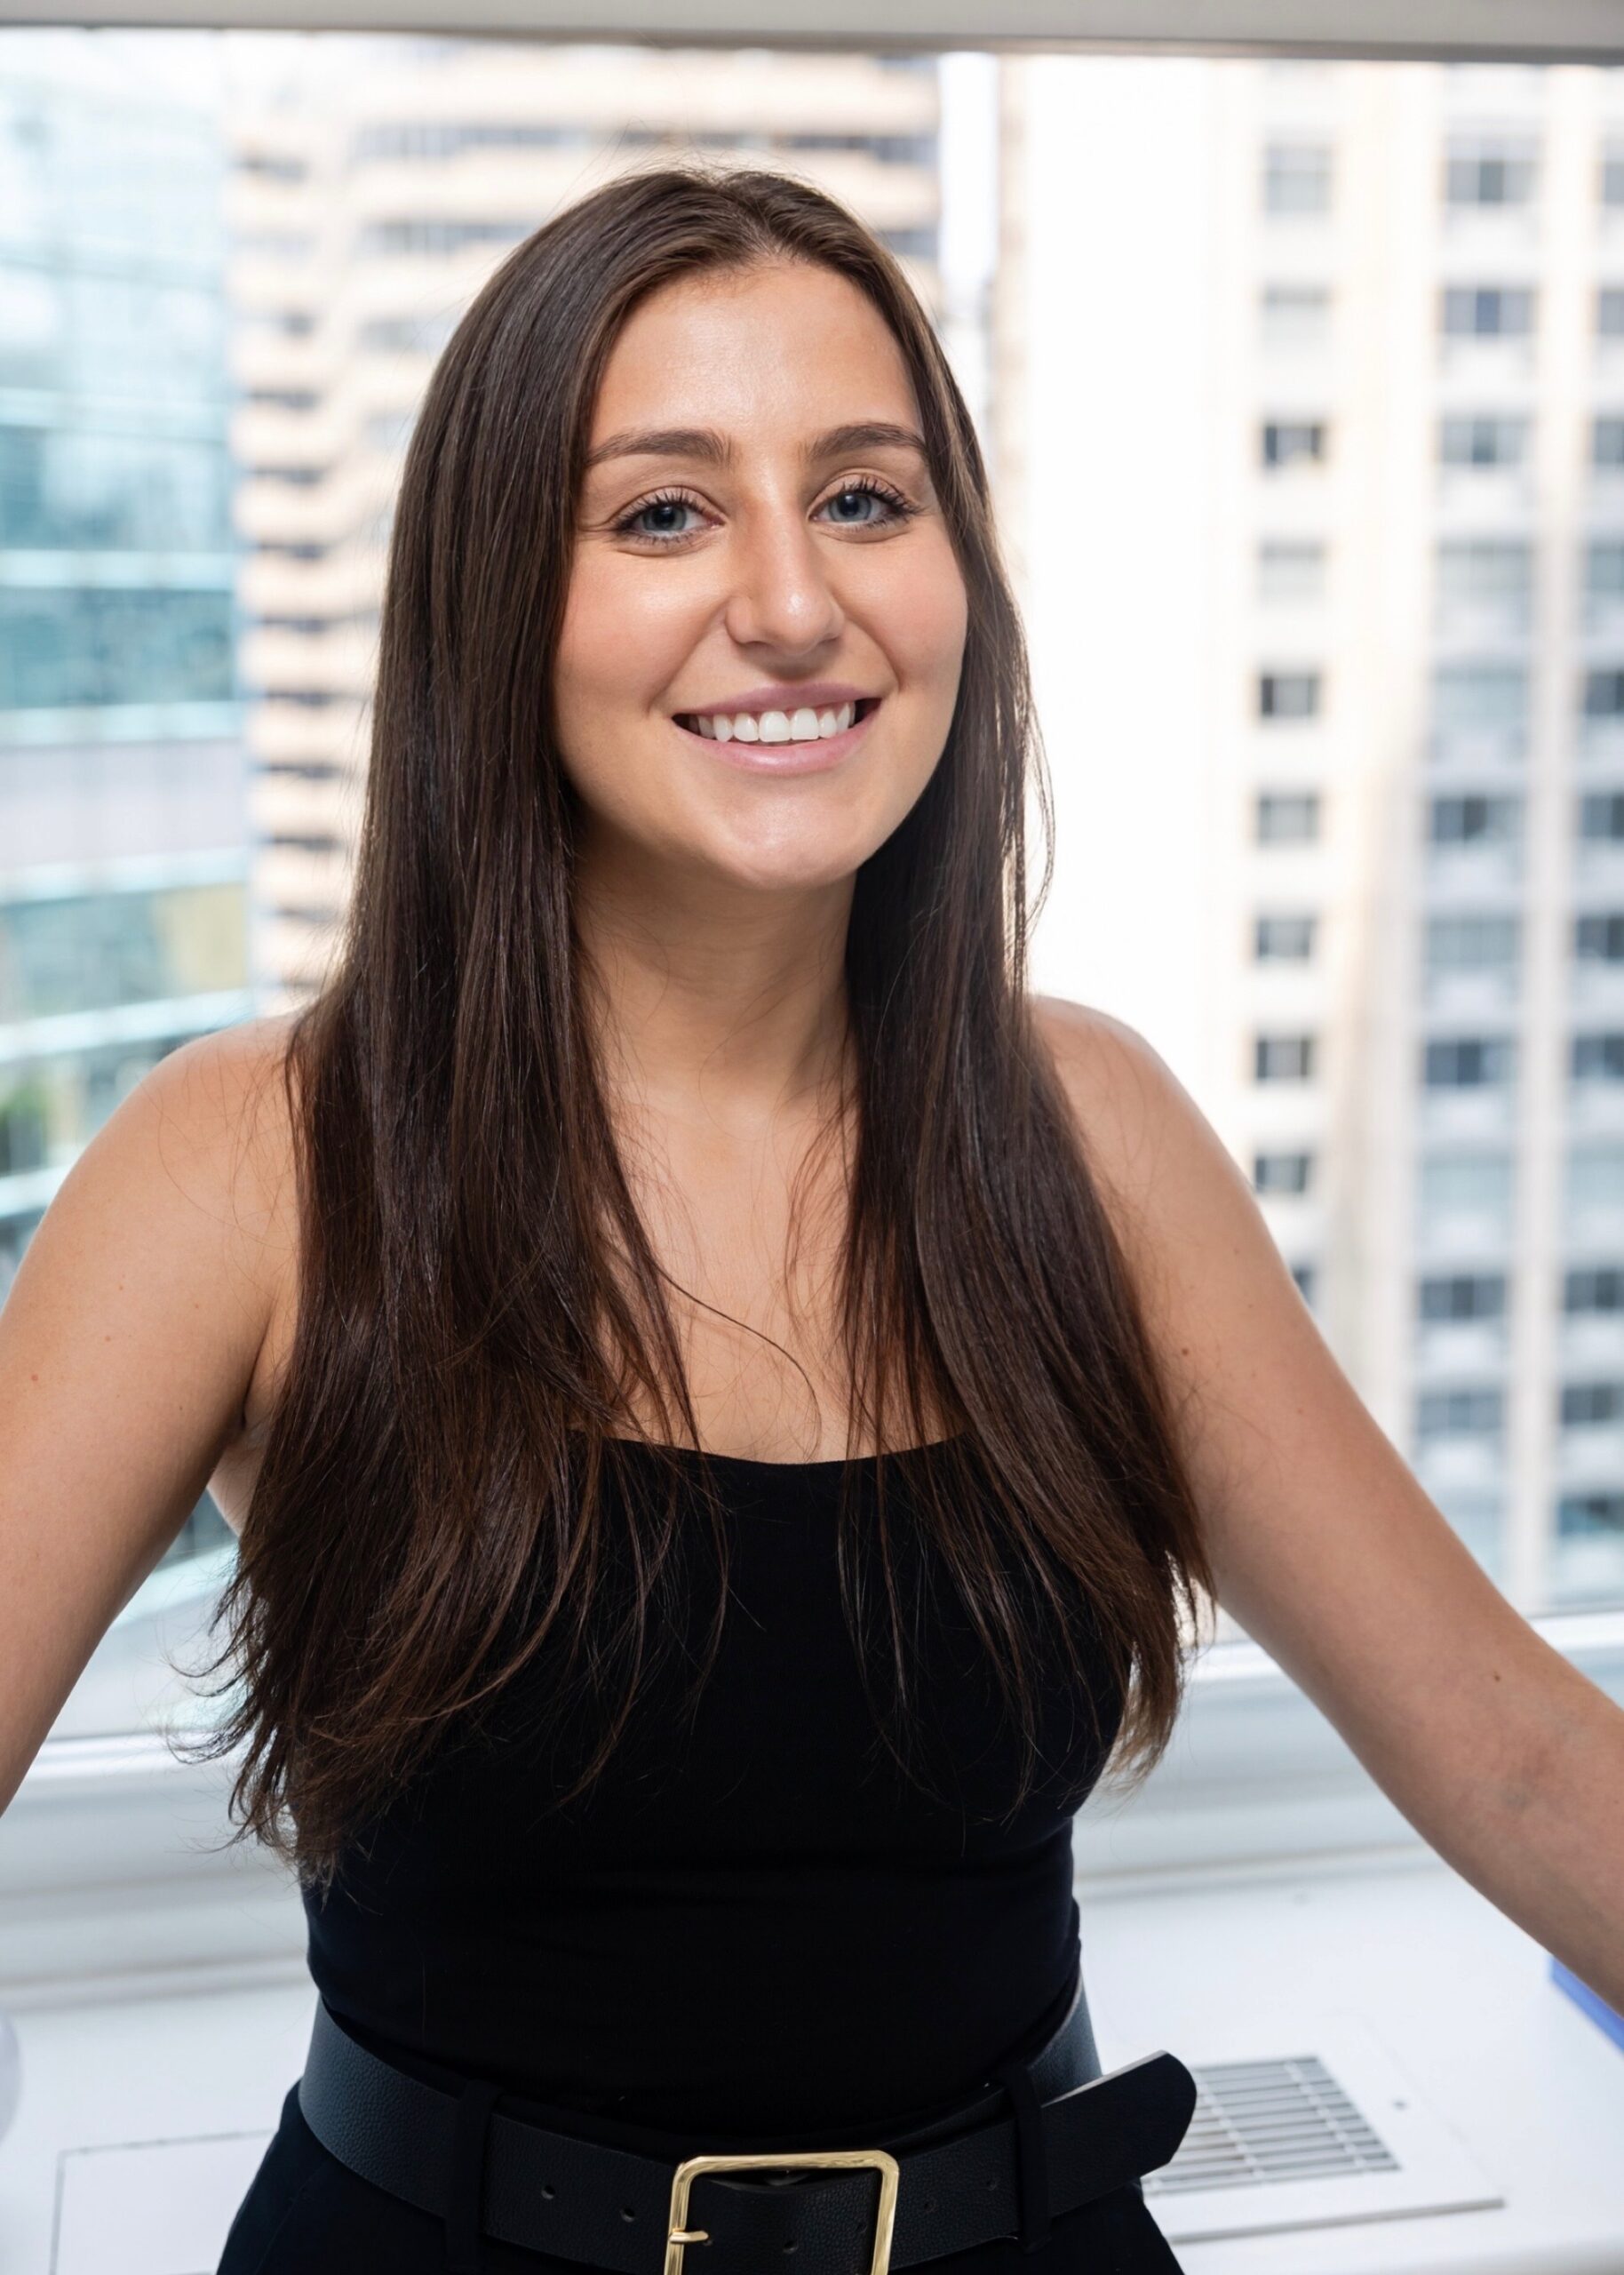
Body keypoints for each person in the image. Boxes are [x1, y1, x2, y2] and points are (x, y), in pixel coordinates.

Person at [2, 159, 1620, 2275]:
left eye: (863, 497)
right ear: (500, 599)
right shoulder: (256, 1159)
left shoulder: (1088, 1133)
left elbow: (1510, 1757)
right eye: (662, 511)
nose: (789, 601)